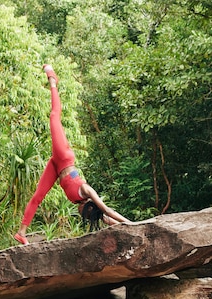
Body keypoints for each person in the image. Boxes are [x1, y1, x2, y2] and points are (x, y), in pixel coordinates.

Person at [14, 65, 131, 245]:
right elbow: (107, 210)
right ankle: (53, 80)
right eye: (83, 213)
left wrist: (126, 229)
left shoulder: (82, 204)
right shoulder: (86, 191)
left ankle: (21, 233)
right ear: (87, 206)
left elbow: (106, 219)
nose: (79, 213)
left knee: (37, 196)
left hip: (56, 165)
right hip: (64, 157)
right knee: (54, 117)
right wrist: (133, 224)